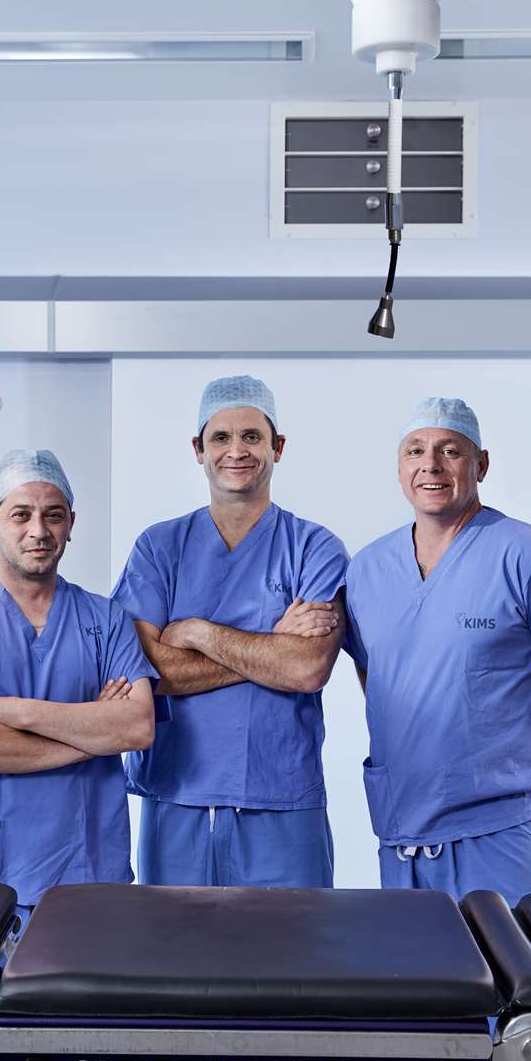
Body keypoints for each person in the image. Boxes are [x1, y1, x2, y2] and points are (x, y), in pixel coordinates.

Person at [0, 449, 157, 1026]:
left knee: (79, 1037)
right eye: (20, 515)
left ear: (71, 523)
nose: (38, 531)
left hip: (86, 864)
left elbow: (136, 726)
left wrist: (17, 710)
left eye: (53, 515)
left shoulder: (105, 619)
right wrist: (91, 732)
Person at [343, 397, 531, 904]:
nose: (430, 464)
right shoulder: (366, 570)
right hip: (401, 834)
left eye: (450, 450)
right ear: (400, 467)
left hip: (502, 836)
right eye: (415, 451)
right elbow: (380, 680)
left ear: (481, 465)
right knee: (415, 983)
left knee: (512, 981)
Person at [113, 375, 349, 888]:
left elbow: (307, 668)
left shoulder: (314, 547)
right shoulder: (159, 547)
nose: (236, 451)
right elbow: (144, 670)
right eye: (220, 438)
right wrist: (271, 644)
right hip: (176, 797)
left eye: (251, 437)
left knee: (293, 960)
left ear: (277, 447)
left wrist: (194, 630)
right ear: (198, 450)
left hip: (282, 802)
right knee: (175, 961)